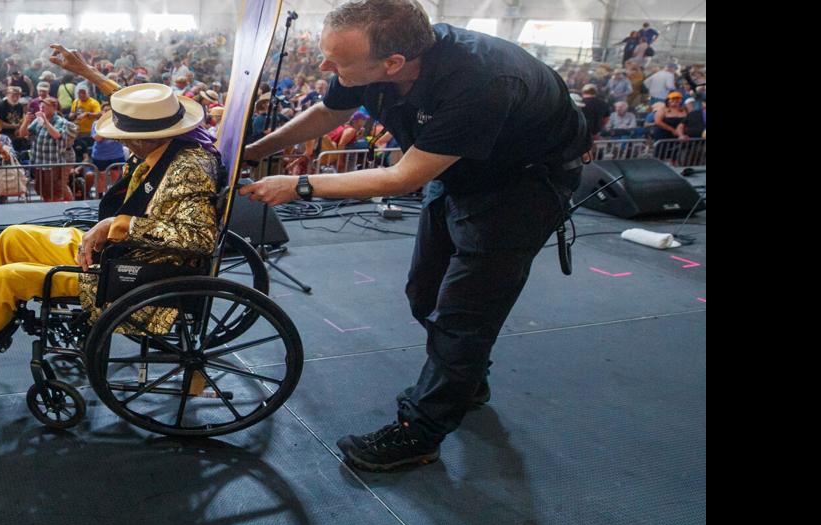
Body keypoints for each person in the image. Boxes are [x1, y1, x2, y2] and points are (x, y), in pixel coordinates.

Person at [240, 0, 587, 471]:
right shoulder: (374, 62)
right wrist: (255, 150)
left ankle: (419, 433)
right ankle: (465, 379)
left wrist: (299, 185)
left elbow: (402, 178)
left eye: (337, 61)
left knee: (465, 316)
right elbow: (329, 111)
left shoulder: (479, 81)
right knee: (424, 293)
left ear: (393, 64)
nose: (325, 67)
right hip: (457, 172)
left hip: (519, 188)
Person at [0, 83, 220, 385]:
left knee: (8, 279)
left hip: (133, 275)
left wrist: (121, 225)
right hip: (117, 253)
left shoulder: (187, 168)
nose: (121, 139)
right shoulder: (164, 150)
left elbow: (200, 239)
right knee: (13, 237)